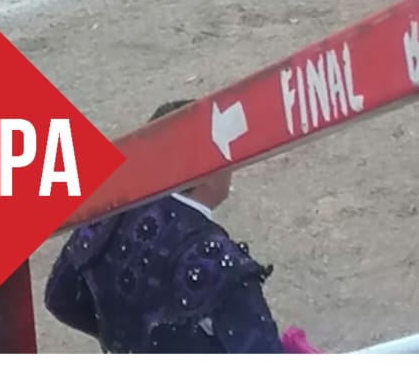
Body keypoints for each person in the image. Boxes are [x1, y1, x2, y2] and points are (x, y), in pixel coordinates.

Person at [43, 100, 299, 353]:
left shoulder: (106, 219)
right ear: (204, 171)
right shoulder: (219, 260)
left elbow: (59, 298)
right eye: (225, 155)